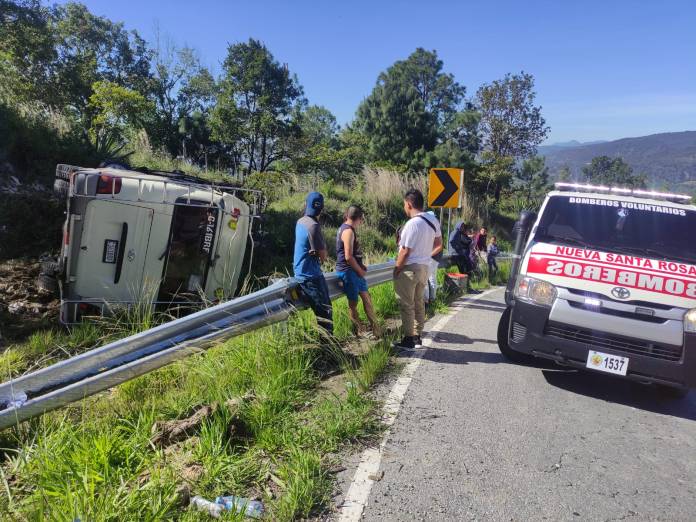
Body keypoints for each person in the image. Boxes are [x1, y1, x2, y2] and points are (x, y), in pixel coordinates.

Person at [393, 189, 442, 350]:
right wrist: (426, 254)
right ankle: (417, 336)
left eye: (404, 205)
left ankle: (408, 339)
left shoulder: (412, 224)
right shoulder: (432, 220)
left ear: (408, 204)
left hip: (410, 268)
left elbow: (405, 251)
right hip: (424, 267)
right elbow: (438, 244)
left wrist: (397, 268)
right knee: (419, 302)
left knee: (406, 304)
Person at [336, 205, 381, 338]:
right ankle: (360, 330)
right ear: (359, 219)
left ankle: (376, 329)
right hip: (349, 272)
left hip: (355, 270)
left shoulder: (347, 229)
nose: (361, 223)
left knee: (367, 298)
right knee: (353, 303)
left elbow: (353, 255)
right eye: (362, 220)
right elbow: (348, 256)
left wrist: (361, 265)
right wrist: (359, 270)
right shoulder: (348, 231)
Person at [293, 192, 333, 336]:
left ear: (306, 204)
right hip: (312, 277)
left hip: (300, 274)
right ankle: (329, 353)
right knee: (325, 315)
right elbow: (323, 257)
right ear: (321, 209)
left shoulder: (300, 222)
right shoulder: (314, 226)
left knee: (322, 315)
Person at [424, 210, 443, 304]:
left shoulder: (430, 227)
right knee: (432, 277)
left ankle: (426, 301)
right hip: (437, 256)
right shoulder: (437, 226)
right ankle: (433, 299)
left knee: (424, 278)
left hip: (432, 256)